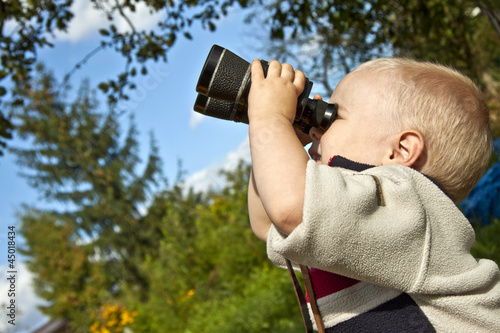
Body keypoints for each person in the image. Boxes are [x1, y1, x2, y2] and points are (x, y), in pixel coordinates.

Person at [247, 57, 500, 332]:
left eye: (335, 116)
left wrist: (270, 118)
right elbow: (268, 222)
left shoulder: (407, 204)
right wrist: (284, 139)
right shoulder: (348, 221)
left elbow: (291, 209)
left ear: (399, 151)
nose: (317, 128)